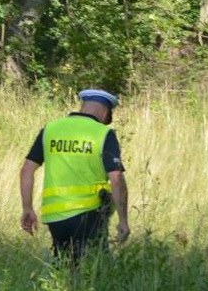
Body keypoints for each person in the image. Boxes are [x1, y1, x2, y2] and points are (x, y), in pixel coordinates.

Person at [19, 89, 130, 262]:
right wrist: (123, 220)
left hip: (54, 218)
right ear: (106, 112)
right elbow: (116, 177)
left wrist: (27, 208)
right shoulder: (103, 133)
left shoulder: (50, 129)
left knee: (64, 266)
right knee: (95, 270)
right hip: (89, 215)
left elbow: (27, 169)